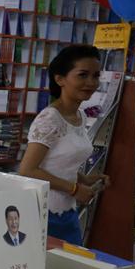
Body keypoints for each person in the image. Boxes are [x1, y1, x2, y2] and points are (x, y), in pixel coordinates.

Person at [19, 45, 110, 246]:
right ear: (60, 79)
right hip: (42, 211)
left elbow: (57, 162)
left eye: (95, 76)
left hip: (67, 211)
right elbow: (27, 169)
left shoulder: (80, 115)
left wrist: (84, 179)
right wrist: (75, 189)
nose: (91, 83)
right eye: (82, 75)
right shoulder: (50, 119)